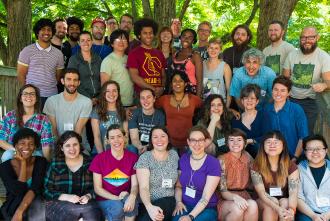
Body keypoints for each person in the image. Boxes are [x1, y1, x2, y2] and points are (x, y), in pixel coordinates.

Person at [44, 131, 102, 221]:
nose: (72, 149)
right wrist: (65, 197)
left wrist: (88, 196)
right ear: (61, 148)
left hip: (86, 204)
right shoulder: (55, 163)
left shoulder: (90, 162)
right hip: (60, 203)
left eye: (75, 144)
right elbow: (46, 190)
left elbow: (98, 187)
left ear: (80, 145)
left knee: (92, 215)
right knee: (69, 213)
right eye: (67, 146)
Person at [283, 26, 330, 134]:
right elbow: (285, 79)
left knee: (306, 133)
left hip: (310, 102)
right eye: (303, 38)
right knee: (288, 130)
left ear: (317, 37)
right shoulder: (292, 55)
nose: (306, 41)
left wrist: (324, 85)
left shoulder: (324, 57)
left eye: (310, 37)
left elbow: (329, 81)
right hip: (290, 100)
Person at [89, 124, 139, 221]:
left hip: (124, 196)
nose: (116, 140)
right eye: (112, 138)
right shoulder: (99, 159)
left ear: (124, 138)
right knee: (117, 207)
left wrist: (132, 196)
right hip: (105, 200)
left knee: (132, 202)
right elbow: (97, 189)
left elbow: (135, 185)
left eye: (119, 136)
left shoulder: (133, 158)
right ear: (107, 140)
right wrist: (116, 198)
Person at [172, 125, 221, 221]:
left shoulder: (213, 163)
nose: (197, 144)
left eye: (200, 140)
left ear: (206, 141)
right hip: (184, 205)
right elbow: (178, 186)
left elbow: (205, 198)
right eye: (193, 140)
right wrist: (178, 202)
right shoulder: (183, 159)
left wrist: (190, 217)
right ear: (188, 142)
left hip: (206, 208)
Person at [251, 131, 300, 221]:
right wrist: (277, 208)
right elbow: (261, 193)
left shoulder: (291, 166)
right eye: (268, 142)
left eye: (276, 142)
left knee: (286, 203)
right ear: (263, 146)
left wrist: (292, 210)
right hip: (262, 202)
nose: (272, 145)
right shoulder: (256, 165)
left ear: (283, 146)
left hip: (282, 202)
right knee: (271, 205)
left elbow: (293, 192)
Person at [0, 128, 47, 221]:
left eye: (31, 144)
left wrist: (20, 211)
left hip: (36, 202)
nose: (26, 147)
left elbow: (36, 188)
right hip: (13, 202)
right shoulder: (4, 167)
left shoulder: (41, 162)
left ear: (35, 147)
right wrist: (23, 163)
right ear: (16, 145)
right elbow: (18, 191)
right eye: (22, 143)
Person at [17, 18, 64, 108]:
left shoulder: (58, 54)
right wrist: (28, 92)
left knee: (51, 122)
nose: (46, 32)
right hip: (32, 96)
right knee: (33, 122)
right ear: (37, 32)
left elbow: (58, 77)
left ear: (52, 33)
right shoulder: (27, 51)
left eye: (49, 30)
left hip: (52, 96)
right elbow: (21, 75)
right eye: (43, 29)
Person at [43, 68, 92, 153]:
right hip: (58, 146)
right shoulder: (51, 101)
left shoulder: (86, 102)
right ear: (62, 81)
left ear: (79, 82)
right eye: (68, 79)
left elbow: (78, 130)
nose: (72, 83)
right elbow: (53, 129)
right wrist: (61, 148)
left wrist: (71, 149)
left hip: (79, 146)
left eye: (75, 80)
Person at [0, 84, 54, 162]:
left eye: (32, 94)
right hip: (13, 151)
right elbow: (1, 140)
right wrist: (17, 150)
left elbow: (46, 145)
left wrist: (46, 164)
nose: (28, 96)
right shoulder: (10, 116)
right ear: (20, 98)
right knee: (7, 155)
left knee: (40, 160)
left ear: (36, 99)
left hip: (34, 153)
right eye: (25, 94)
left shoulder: (43, 120)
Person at [135, 126, 179, 221]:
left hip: (168, 200)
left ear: (168, 138)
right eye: (155, 137)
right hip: (147, 202)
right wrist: (149, 207)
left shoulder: (174, 155)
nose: (159, 140)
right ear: (151, 140)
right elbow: (143, 187)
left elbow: (179, 182)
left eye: (163, 136)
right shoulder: (145, 158)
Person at [263, 76, 309, 160]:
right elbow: (265, 136)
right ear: (272, 90)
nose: (278, 93)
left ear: (288, 93)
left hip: (294, 156)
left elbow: (303, 136)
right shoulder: (266, 110)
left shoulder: (296, 109)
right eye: (276, 89)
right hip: (273, 156)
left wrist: (295, 157)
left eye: (283, 90)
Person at [156, 71, 202, 153]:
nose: (177, 83)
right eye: (174, 80)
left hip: (189, 144)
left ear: (185, 84)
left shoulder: (193, 99)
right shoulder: (164, 99)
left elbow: (208, 107)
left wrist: (230, 110)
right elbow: (150, 106)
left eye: (180, 81)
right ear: (171, 84)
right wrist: (131, 110)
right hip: (169, 144)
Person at [217, 128, 258, 221]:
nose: (235, 143)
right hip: (226, 198)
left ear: (244, 143)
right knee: (238, 208)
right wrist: (235, 197)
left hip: (244, 194)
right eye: (231, 140)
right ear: (227, 143)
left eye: (239, 140)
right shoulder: (221, 160)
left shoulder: (247, 157)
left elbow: (257, 174)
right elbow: (223, 191)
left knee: (253, 205)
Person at [127, 18, 166, 98]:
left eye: (150, 33)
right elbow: (134, 77)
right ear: (139, 35)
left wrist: (162, 88)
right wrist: (153, 89)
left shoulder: (159, 53)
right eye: (145, 33)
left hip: (159, 96)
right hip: (142, 97)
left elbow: (163, 75)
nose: (148, 35)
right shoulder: (134, 53)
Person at [297, 134, 330, 221]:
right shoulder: (298, 170)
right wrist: (313, 216)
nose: (315, 152)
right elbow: (297, 198)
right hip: (308, 213)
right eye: (310, 149)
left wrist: (327, 215)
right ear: (305, 152)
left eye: (318, 149)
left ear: (326, 150)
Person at [91, 80, 127, 153]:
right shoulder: (96, 111)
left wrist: (121, 154)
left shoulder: (123, 111)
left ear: (118, 93)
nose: (111, 94)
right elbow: (97, 136)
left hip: (119, 151)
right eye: (108, 91)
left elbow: (126, 136)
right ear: (104, 94)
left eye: (114, 91)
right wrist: (103, 157)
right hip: (100, 151)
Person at [100, 29, 134, 107]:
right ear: (112, 44)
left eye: (124, 39)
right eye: (118, 39)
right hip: (115, 104)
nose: (121, 41)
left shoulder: (129, 58)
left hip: (131, 102)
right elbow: (104, 86)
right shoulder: (108, 60)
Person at [129, 88, 165, 154]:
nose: (145, 101)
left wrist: (147, 147)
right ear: (140, 100)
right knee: (131, 148)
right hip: (138, 146)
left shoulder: (160, 115)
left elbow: (159, 137)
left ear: (154, 99)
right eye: (142, 98)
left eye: (148, 97)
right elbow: (134, 138)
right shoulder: (135, 113)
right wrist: (140, 147)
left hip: (154, 145)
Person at [231, 84, 264, 158]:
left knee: (257, 147)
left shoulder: (263, 116)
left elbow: (268, 136)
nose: (249, 101)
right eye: (246, 98)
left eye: (252, 98)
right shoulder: (236, 119)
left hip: (260, 156)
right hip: (241, 155)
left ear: (257, 101)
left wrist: (251, 140)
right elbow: (233, 139)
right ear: (242, 101)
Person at [68, 31, 102, 101]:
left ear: (92, 42)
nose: (86, 43)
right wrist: (88, 98)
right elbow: (73, 82)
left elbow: (102, 79)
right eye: (82, 40)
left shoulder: (98, 58)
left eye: (88, 40)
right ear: (79, 43)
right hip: (81, 99)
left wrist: (99, 97)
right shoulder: (74, 59)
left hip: (99, 99)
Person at [171, 28, 203, 96]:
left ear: (193, 41)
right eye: (184, 36)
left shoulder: (195, 56)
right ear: (180, 38)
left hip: (190, 91)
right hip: (175, 90)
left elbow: (199, 81)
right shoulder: (175, 54)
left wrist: (197, 99)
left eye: (190, 37)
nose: (186, 39)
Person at [203, 37, 232, 103]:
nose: (213, 50)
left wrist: (226, 108)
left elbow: (229, 90)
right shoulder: (202, 64)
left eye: (216, 48)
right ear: (207, 49)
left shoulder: (225, 66)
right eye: (211, 48)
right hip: (205, 104)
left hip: (220, 105)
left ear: (220, 50)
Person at [156, 26, 174, 94]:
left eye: (168, 33)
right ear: (159, 36)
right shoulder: (153, 52)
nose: (165, 35)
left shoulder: (176, 53)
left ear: (172, 36)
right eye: (163, 33)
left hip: (172, 87)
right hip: (157, 87)